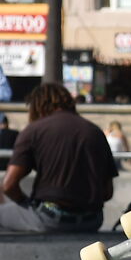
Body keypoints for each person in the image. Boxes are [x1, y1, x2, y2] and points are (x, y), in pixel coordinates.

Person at [0, 82, 114, 233]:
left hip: (50, 219)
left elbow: (8, 186)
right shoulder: (95, 132)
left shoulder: (33, 131)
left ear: (37, 106)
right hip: (92, 220)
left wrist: (26, 203)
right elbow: (107, 192)